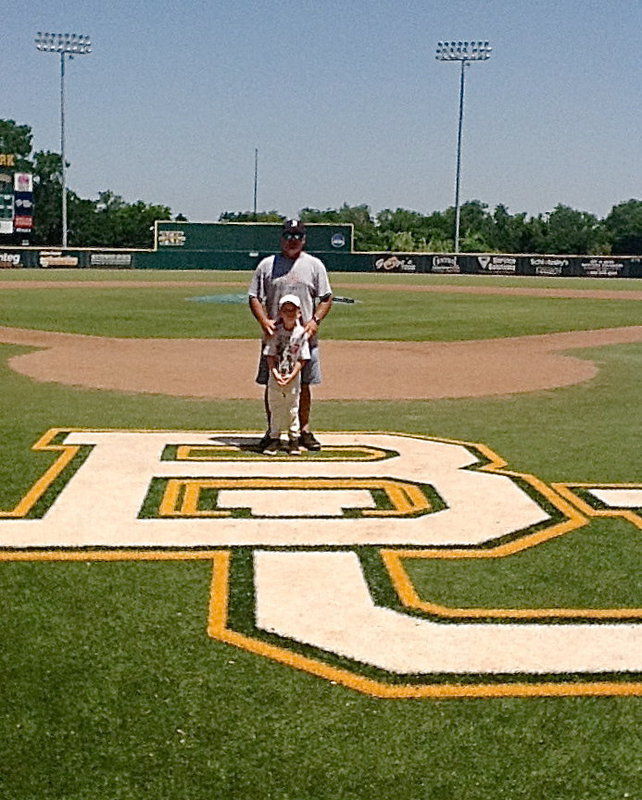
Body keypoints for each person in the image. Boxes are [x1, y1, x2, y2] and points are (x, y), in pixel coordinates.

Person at [249, 219, 333, 451]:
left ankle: (303, 431)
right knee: (272, 384)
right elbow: (254, 297)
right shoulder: (267, 265)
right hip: (275, 340)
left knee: (304, 385)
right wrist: (264, 321)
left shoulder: (314, 266)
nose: (292, 241)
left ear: (303, 239)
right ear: (281, 238)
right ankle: (273, 431)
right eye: (288, 236)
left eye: (297, 236)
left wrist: (315, 320)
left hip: (304, 339)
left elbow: (326, 297)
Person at [262, 294, 310, 455]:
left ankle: (293, 438)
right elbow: (269, 354)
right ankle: (274, 437)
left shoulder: (301, 333)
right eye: (285, 310)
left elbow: (303, 358)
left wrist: (292, 375)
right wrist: (275, 372)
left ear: (299, 313)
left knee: (292, 408)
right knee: (275, 407)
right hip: (276, 376)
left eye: (292, 310)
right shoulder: (275, 331)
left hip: (293, 377)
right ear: (280, 312)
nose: (289, 313)